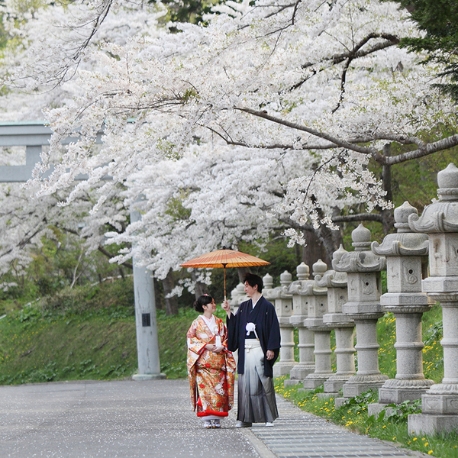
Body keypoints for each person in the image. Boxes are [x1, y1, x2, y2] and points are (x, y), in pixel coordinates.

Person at [222, 272, 281, 428]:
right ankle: (245, 418)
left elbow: (273, 329)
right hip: (246, 351)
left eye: (247, 285)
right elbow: (236, 325)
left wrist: (271, 348)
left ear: (255, 286)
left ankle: (269, 417)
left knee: (263, 382)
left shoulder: (267, 307)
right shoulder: (243, 307)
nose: (245, 288)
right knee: (245, 385)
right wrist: (229, 312)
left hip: (260, 349)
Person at [187, 294, 236, 429]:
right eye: (211, 303)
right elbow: (191, 340)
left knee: (218, 391)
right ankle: (207, 419)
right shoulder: (197, 323)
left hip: (218, 361)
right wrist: (205, 346)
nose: (214, 305)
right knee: (205, 392)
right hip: (203, 363)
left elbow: (227, 336)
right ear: (204, 306)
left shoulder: (219, 322)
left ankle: (217, 418)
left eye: (214, 302)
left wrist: (223, 345)